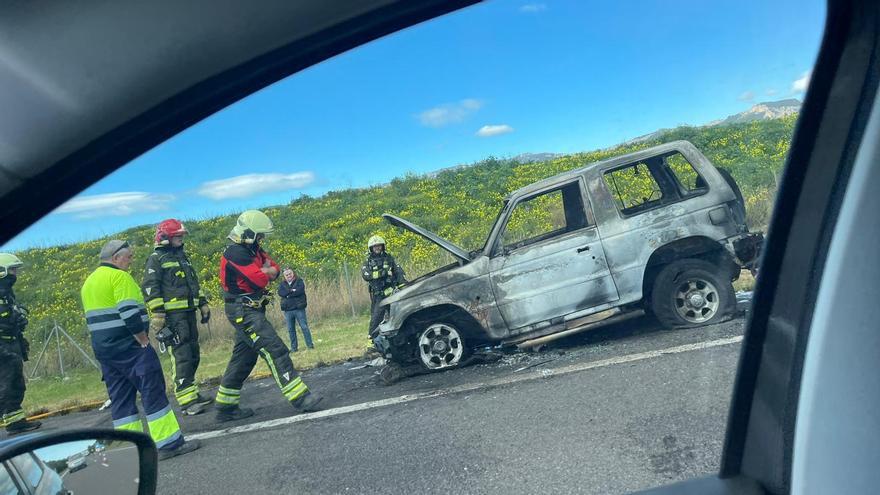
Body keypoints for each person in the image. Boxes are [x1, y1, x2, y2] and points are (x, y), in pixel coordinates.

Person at [81, 240, 200, 460]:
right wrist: (143, 339)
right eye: (129, 256)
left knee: (121, 400)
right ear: (116, 258)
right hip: (131, 348)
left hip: (106, 352)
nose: (131, 260)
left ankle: (129, 451)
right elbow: (128, 312)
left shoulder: (89, 282)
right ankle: (169, 444)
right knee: (152, 391)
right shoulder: (119, 277)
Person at [214, 210, 322, 423]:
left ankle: (225, 407)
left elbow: (276, 269)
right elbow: (260, 280)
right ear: (249, 233)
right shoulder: (235, 253)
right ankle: (301, 398)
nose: (262, 239)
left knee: (244, 357)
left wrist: (267, 270)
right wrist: (266, 272)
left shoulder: (252, 250)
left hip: (248, 310)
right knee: (274, 348)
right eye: (260, 235)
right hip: (243, 312)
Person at [142, 219, 212, 415]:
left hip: (188, 313)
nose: (181, 239)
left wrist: (202, 303)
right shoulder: (156, 259)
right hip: (173, 317)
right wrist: (157, 314)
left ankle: (192, 391)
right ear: (165, 238)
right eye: (177, 236)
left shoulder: (183, 257)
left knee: (193, 354)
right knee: (181, 355)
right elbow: (150, 287)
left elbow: (193, 284)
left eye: (181, 236)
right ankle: (186, 401)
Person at [0, 253, 41, 435]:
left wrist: (18, 321)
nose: (15, 274)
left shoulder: (7, 293)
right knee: (6, 387)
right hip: (3, 348)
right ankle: (13, 423)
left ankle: (16, 422)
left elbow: (9, 316)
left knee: (16, 385)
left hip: (11, 345)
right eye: (13, 270)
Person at [361, 235, 406, 338]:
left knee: (398, 316)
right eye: (375, 246)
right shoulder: (368, 262)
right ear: (371, 248)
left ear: (383, 246)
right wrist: (384, 272)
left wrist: (403, 285)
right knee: (376, 318)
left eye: (379, 245)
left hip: (391, 294)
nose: (377, 248)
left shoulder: (389, 258)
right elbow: (366, 276)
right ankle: (371, 341)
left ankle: (397, 338)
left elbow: (398, 272)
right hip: (378, 295)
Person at [277, 267, 313, 351]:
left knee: (304, 327)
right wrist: (291, 291)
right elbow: (281, 293)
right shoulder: (282, 284)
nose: (289, 275)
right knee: (290, 330)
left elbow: (299, 291)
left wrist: (288, 294)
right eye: (286, 275)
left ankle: (310, 345)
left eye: (290, 273)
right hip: (288, 310)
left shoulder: (299, 281)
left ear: (293, 273)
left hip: (299, 309)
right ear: (284, 276)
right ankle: (294, 348)